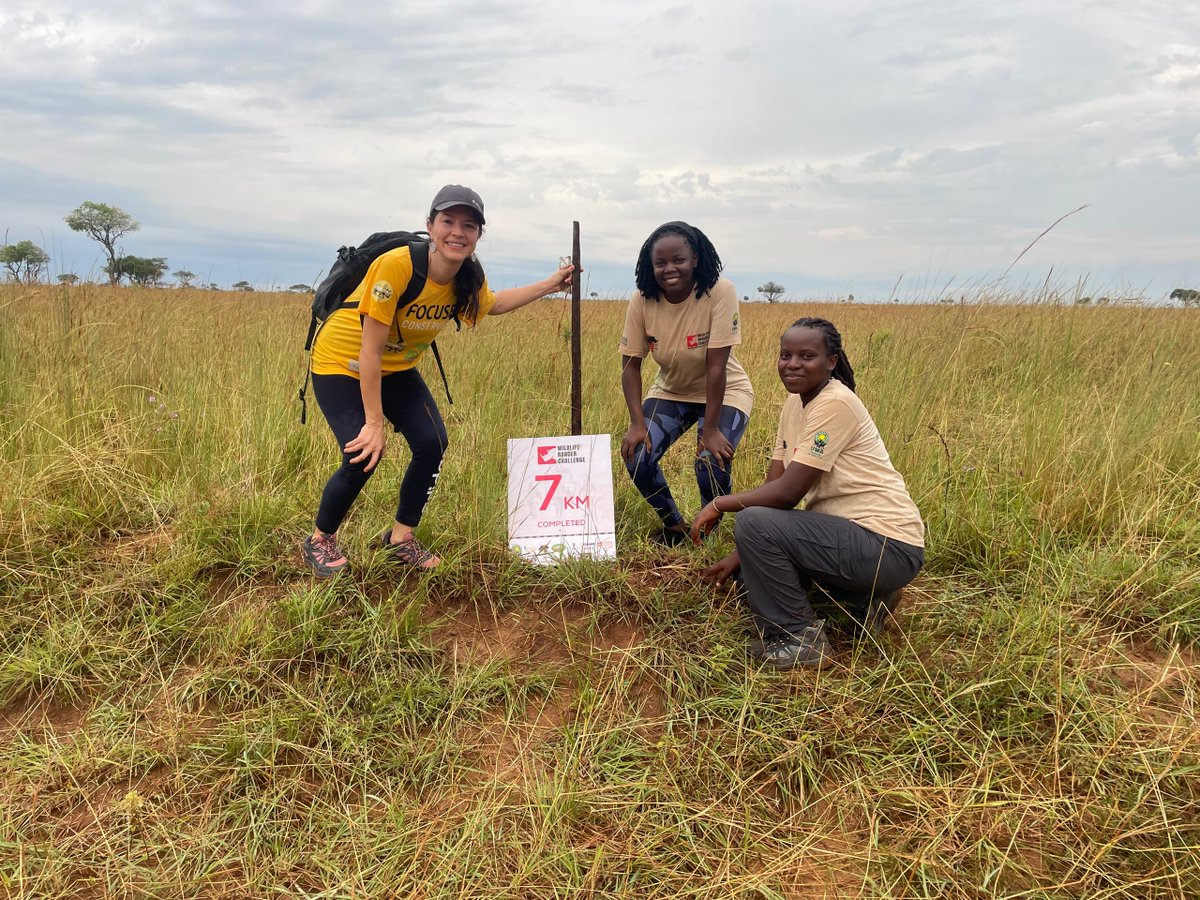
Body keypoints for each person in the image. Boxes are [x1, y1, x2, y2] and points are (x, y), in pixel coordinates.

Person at [303, 184, 575, 576]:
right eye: (448, 221)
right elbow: (370, 352)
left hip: (396, 367)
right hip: (342, 363)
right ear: (430, 226)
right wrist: (375, 423)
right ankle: (320, 540)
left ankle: (400, 539)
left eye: (469, 226)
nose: (457, 232)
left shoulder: (468, 276)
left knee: (432, 442)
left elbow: (493, 304)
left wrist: (552, 283)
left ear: (478, 235)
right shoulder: (396, 266)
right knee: (362, 452)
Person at [690, 317, 925, 671]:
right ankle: (864, 602)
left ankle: (800, 640)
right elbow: (774, 487)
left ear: (831, 361)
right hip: (851, 540)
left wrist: (719, 503)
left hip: (886, 545)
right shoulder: (794, 405)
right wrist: (742, 553)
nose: (793, 364)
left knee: (752, 522)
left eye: (807, 356)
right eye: (786, 355)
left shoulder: (836, 403)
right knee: (748, 578)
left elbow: (786, 495)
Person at [618, 221, 754, 545]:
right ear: (650, 266)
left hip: (725, 390)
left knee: (710, 461)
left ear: (695, 258)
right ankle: (675, 527)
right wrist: (637, 423)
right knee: (637, 456)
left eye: (678, 260)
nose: (669, 269)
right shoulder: (642, 299)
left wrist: (711, 430)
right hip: (672, 390)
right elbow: (630, 367)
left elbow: (717, 367)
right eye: (660, 263)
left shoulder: (719, 291)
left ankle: (706, 533)